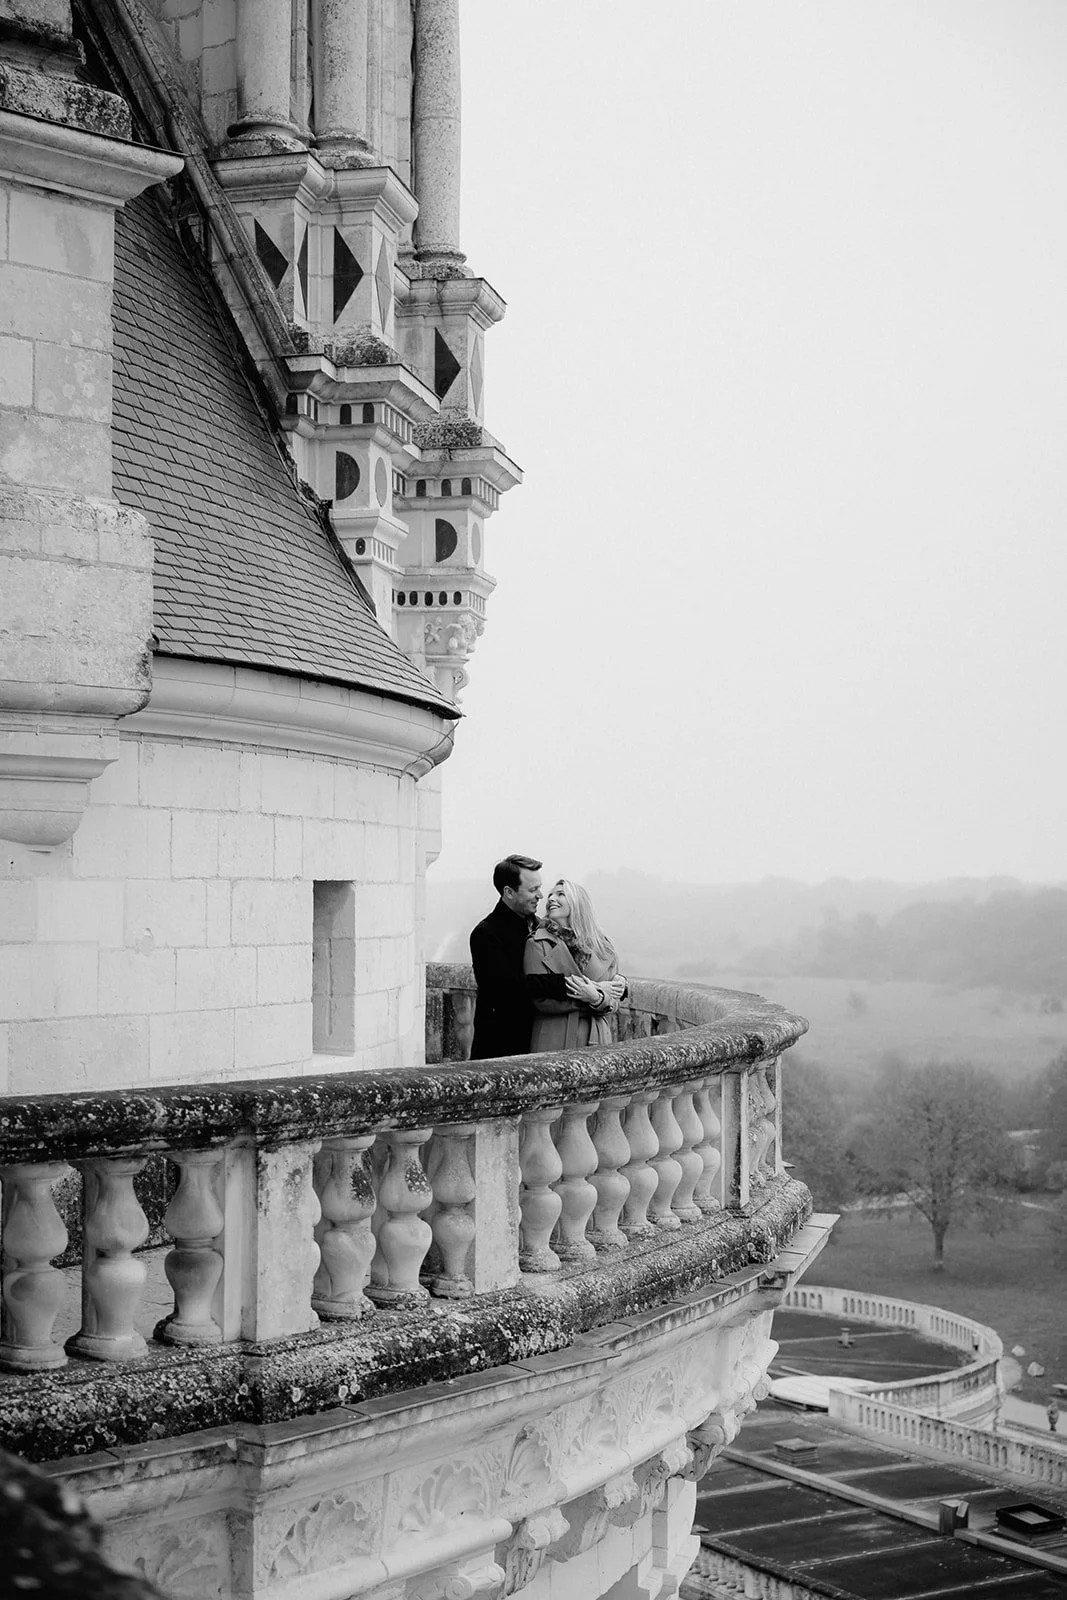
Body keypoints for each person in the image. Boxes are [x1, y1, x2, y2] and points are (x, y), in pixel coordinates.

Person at [469, 854, 569, 1058]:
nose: (541, 895)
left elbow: (579, 954)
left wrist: (616, 981)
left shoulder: (541, 926)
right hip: (500, 1050)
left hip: (543, 1041)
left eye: (540, 887)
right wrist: (566, 983)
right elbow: (508, 988)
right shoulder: (485, 934)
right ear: (509, 892)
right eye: (533, 889)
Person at [524, 879, 627, 1052]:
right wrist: (592, 992)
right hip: (554, 1037)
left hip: (597, 1038)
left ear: (577, 903)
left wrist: (597, 998)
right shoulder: (536, 943)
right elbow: (540, 999)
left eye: (560, 894)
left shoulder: (602, 946)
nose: (551, 899)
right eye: (550, 895)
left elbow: (615, 999)